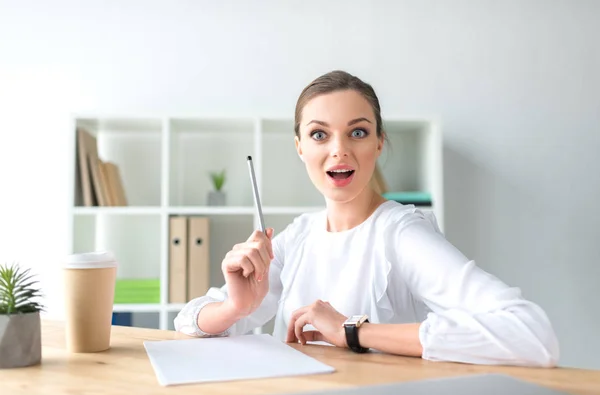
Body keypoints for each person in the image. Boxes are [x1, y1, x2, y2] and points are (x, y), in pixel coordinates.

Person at [174, 70, 559, 367]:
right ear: (300, 148)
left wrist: (356, 332)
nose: (339, 151)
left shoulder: (402, 233)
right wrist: (236, 309)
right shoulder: (298, 237)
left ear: (379, 142)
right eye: (319, 135)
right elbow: (187, 323)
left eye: (357, 132)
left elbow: (531, 334)